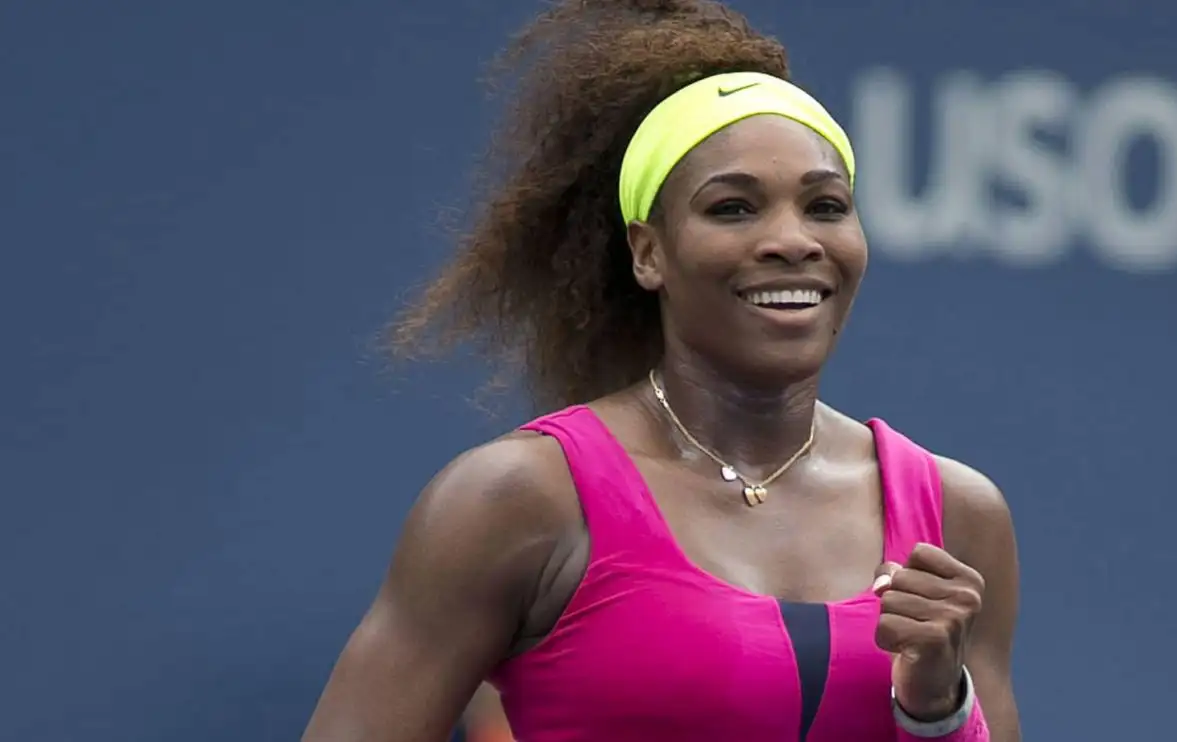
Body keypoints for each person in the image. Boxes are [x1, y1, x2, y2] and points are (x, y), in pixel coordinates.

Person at [302, 0, 1021, 740]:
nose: (792, 240)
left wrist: (938, 712)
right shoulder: (515, 501)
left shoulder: (958, 517)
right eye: (734, 208)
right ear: (649, 253)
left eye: (826, 206)